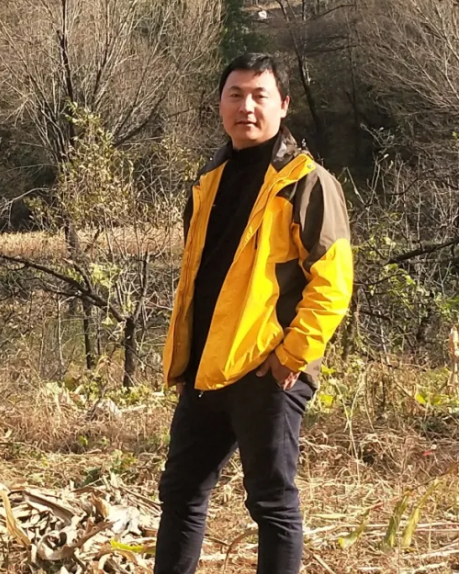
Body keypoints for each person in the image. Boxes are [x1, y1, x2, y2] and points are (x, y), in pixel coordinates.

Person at [154, 53, 354, 574]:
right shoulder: (209, 181)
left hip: (267, 371)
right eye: (235, 95)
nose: (246, 106)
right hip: (207, 368)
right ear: (220, 104)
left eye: (259, 96)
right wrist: (185, 357)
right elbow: (199, 278)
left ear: (283, 105)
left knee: (271, 502)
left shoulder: (305, 182)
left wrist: (291, 357)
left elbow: (333, 284)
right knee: (180, 492)